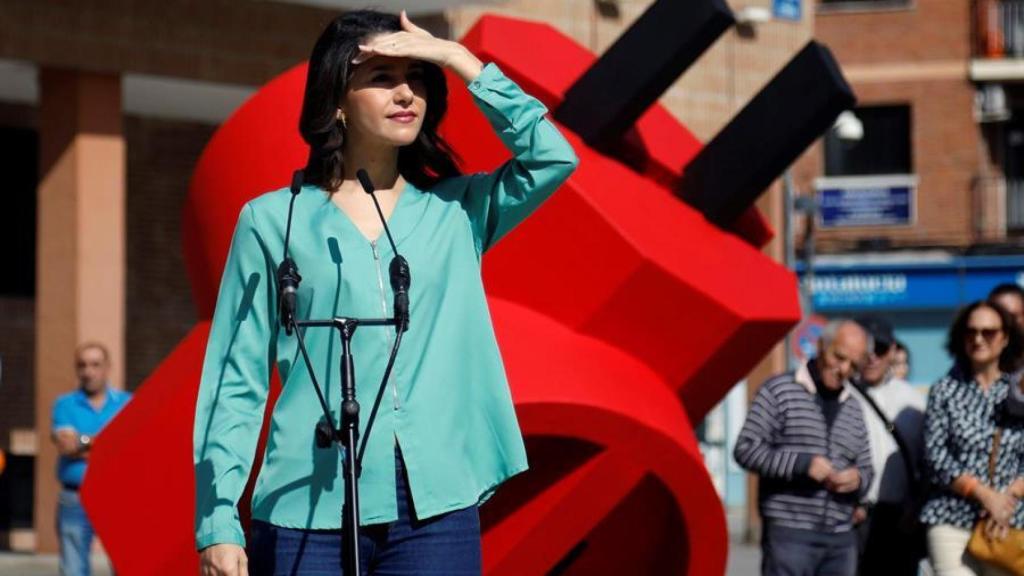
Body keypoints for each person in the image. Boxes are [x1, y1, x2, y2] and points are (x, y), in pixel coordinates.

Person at [193, 9, 578, 576]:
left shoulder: (456, 213)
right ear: (337, 100)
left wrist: (461, 62)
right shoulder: (271, 221)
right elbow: (236, 380)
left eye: (416, 78)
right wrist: (219, 518)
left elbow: (552, 156)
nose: (406, 93)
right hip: (306, 502)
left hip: (434, 507)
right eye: (381, 77)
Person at [734, 319, 874, 576]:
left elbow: (866, 467)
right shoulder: (779, 390)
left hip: (841, 538)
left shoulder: (854, 406)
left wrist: (857, 479)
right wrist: (801, 464)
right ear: (821, 346)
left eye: (854, 366)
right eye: (839, 358)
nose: (844, 370)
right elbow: (746, 448)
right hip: (789, 534)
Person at [920, 301, 1024, 576]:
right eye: (971, 332)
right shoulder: (945, 390)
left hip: (1007, 522)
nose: (978, 339)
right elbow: (935, 456)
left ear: (1005, 338)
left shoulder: (1017, 392)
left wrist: (1007, 497)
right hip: (951, 517)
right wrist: (982, 493)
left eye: (988, 332)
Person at [848, 316, 926, 575]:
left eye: (879, 349)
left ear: (892, 350)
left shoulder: (913, 401)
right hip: (852, 517)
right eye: (866, 350)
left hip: (899, 517)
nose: (872, 357)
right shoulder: (840, 395)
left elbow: (926, 463)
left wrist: (916, 508)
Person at [51, 342, 132, 576]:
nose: (88, 371)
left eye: (95, 364)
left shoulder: (127, 403)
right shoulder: (64, 404)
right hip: (75, 497)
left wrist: (83, 442)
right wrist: (109, 442)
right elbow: (67, 445)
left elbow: (129, 449)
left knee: (126, 567)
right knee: (73, 569)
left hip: (119, 497)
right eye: (82, 365)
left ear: (107, 367)